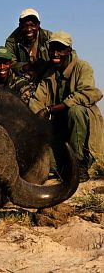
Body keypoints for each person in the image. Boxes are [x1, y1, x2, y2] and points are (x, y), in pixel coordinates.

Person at [29, 31, 104, 182]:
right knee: (50, 167)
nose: (55, 53)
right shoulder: (49, 73)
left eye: (60, 49)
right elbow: (37, 101)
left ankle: (79, 165)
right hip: (61, 129)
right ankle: (65, 165)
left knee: (75, 111)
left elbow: (89, 93)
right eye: (52, 49)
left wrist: (50, 109)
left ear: (69, 50)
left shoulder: (83, 67)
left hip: (82, 125)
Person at [5, 8, 52, 86]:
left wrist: (40, 70)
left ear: (38, 25)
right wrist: (24, 67)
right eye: (25, 26)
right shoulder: (12, 41)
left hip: (46, 74)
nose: (29, 29)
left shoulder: (49, 38)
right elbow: (10, 63)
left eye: (32, 25)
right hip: (22, 76)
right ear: (20, 25)